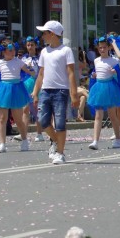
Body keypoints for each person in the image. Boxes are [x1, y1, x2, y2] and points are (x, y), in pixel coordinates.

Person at [31, 20, 79, 165]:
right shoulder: (44, 51)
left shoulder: (66, 51)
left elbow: (71, 73)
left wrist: (74, 93)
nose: (43, 36)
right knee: (43, 121)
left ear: (52, 34)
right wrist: (35, 92)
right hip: (46, 90)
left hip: (61, 91)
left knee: (59, 123)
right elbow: (41, 74)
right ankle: (57, 141)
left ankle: (60, 153)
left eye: (45, 33)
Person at [0, 42, 35, 153]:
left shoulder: (18, 62)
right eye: (10, 50)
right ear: (4, 52)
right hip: (4, 89)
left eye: (14, 50)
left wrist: (31, 68)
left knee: (18, 119)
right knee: (2, 118)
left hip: (16, 89)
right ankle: (2, 143)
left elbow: (31, 73)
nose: (13, 52)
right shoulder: (0, 63)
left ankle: (24, 140)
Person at [87, 36, 120, 150]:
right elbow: (95, 73)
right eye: (100, 48)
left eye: (104, 47)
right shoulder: (96, 60)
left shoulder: (114, 60)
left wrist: (115, 73)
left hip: (110, 89)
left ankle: (118, 139)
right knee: (98, 115)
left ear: (109, 47)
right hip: (99, 87)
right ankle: (95, 141)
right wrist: (93, 76)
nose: (102, 50)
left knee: (112, 115)